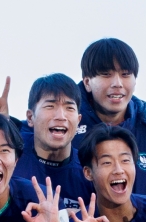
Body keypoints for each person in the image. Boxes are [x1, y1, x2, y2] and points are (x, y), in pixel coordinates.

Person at [74, 38, 146, 202]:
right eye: (106, 74)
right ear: (87, 82)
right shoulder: (64, 125)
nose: (117, 83)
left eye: (125, 74)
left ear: (135, 80)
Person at [16, 73, 93, 206]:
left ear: (79, 120)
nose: (61, 116)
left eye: (69, 108)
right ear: (30, 117)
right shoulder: (11, 160)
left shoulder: (89, 170)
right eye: (50, 106)